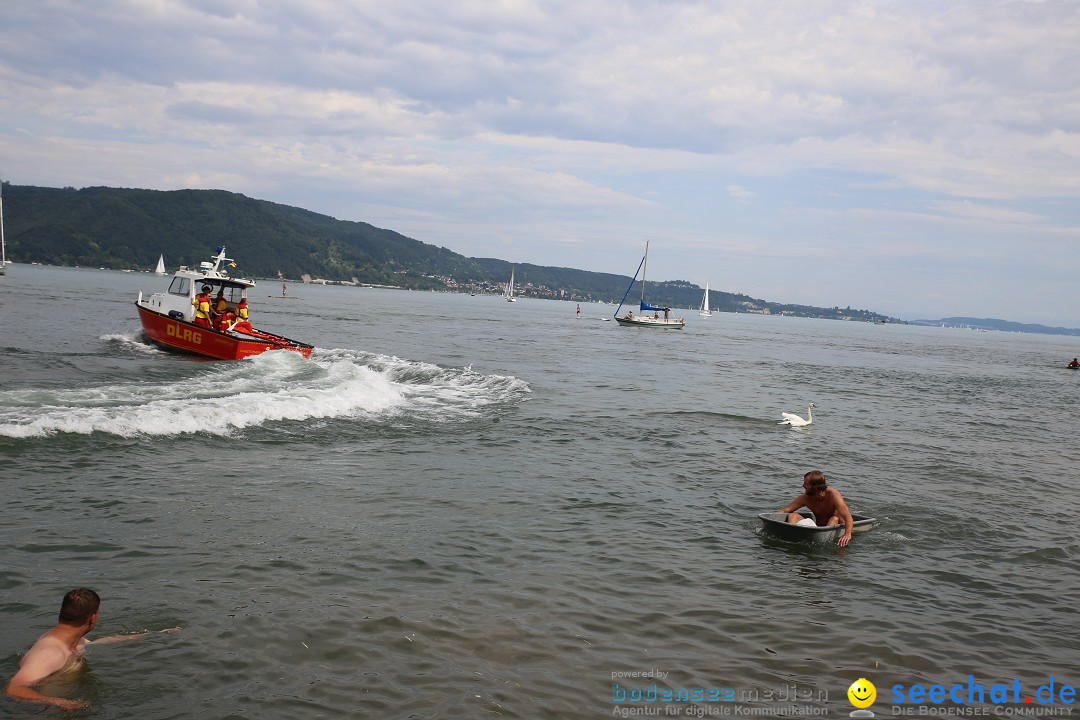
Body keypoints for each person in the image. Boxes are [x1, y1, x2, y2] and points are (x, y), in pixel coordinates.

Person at [5, 588, 180, 710]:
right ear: (93, 618)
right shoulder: (50, 653)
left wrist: (153, 634)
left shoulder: (72, 640)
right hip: (40, 714)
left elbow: (101, 642)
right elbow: (14, 688)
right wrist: (61, 702)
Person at [777, 470, 855, 547]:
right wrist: (768, 519)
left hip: (835, 527)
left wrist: (847, 534)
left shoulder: (833, 495)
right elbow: (785, 510)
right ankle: (793, 537)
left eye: (806, 484)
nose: (803, 486)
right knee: (792, 515)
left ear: (815, 486)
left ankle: (824, 543)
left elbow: (848, 517)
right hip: (817, 530)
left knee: (834, 518)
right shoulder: (806, 498)